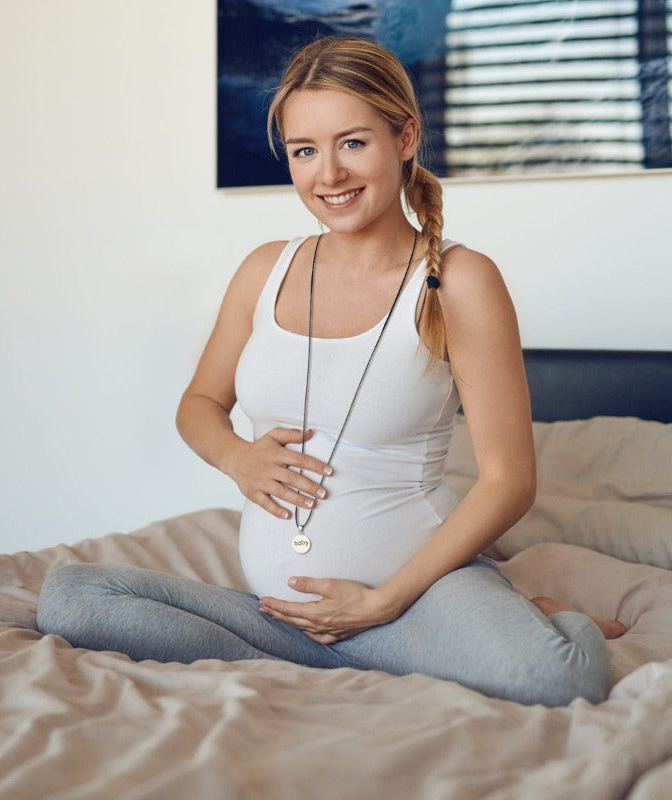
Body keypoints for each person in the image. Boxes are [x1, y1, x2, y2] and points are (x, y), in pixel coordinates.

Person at [38, 36, 625, 706]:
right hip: (279, 614)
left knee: (556, 676)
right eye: (304, 151)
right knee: (74, 599)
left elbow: (509, 481)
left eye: (352, 143)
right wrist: (237, 459)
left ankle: (492, 623)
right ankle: (353, 652)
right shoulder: (266, 268)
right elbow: (199, 401)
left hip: (416, 593)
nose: (328, 174)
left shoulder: (459, 281)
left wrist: (382, 601)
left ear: (404, 138)